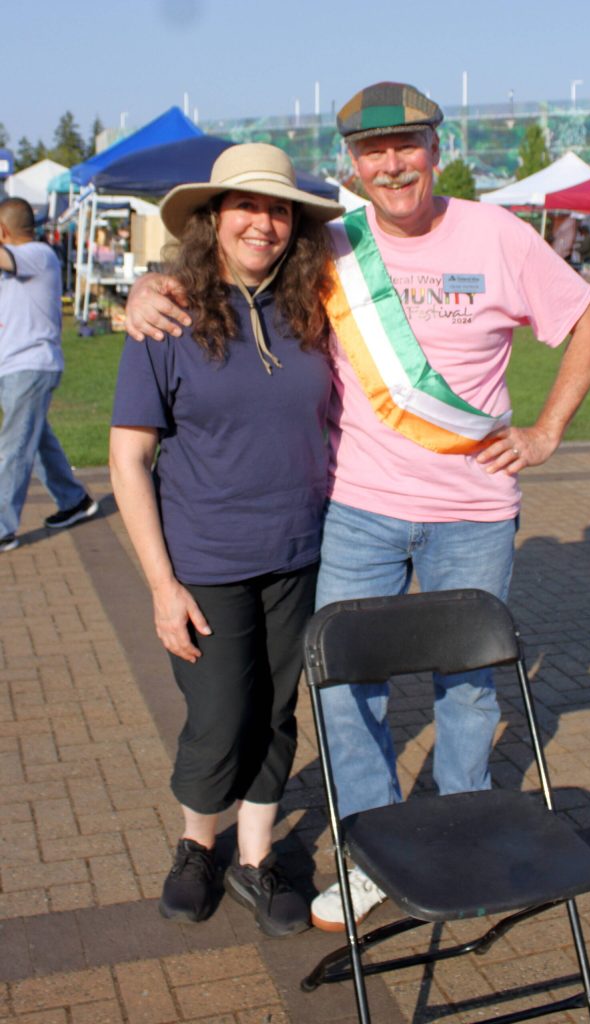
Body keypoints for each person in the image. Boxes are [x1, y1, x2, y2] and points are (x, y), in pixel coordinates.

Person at [124, 81, 590, 932]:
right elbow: (227, 259)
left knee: (467, 686)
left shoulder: (497, 235)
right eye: (371, 152)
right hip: (355, 510)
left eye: (407, 145)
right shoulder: (332, 245)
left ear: (435, 146)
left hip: (473, 510)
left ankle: (459, 838)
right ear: (352, 165)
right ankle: (369, 853)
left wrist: (546, 432)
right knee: (345, 690)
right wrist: (147, 285)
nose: (391, 165)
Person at [109, 144, 343, 936]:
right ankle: (194, 845)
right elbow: (130, 458)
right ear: (212, 219)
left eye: (278, 209)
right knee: (217, 714)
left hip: (298, 552)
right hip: (205, 559)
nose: (263, 222)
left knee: (275, 711)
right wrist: (159, 586)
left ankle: (253, 859)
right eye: (245, 205)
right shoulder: (165, 315)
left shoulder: (318, 305)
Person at [0, 197, 98, 554]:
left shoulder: (38, 255)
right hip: (15, 366)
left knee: (13, 447)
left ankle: (2, 527)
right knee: (35, 439)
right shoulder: (19, 263)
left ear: (4, 231)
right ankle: (73, 500)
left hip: (31, 366)